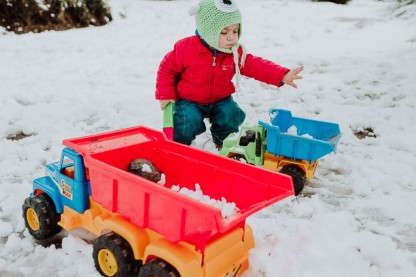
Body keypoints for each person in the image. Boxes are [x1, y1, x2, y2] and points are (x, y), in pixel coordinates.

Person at [155, 0, 303, 148]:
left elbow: (255, 65)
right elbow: (167, 69)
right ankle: (179, 145)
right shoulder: (186, 49)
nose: (231, 37)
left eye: (235, 31)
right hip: (189, 99)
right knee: (187, 119)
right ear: (207, 30)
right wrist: (166, 94)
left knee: (230, 114)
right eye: (224, 32)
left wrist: (281, 75)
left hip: (220, 99)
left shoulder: (235, 53)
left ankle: (224, 144)